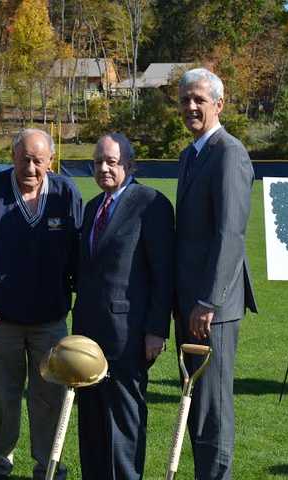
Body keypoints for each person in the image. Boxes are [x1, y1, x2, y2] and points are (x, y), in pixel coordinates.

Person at [0, 128, 82, 480]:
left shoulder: (65, 192)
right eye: (24, 159)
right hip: (2, 319)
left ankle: (47, 463)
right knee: (3, 393)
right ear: (12, 157)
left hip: (50, 316)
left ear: (50, 160)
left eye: (38, 160)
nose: (30, 167)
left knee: (50, 395)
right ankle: (2, 459)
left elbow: (78, 251)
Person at [72, 133, 174, 480]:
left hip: (128, 338)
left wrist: (156, 330)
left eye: (111, 161)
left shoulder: (151, 204)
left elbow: (163, 275)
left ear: (129, 165)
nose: (103, 168)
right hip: (87, 337)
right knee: (91, 424)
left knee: (124, 427)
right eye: (98, 161)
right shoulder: (91, 208)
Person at [175, 68, 258, 480]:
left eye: (199, 100)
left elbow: (231, 234)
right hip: (190, 303)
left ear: (219, 104)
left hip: (213, 309)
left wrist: (208, 300)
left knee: (212, 409)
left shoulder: (229, 152)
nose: (190, 107)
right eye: (185, 100)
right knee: (195, 405)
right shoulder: (190, 154)